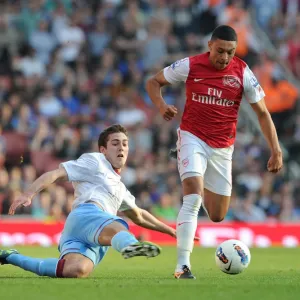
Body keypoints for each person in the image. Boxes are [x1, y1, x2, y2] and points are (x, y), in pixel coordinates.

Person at [146, 25, 283, 279]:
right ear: (210, 46)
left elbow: (262, 113)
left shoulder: (242, 72)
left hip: (222, 148)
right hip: (192, 137)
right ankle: (182, 266)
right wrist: (161, 104)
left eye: (230, 52)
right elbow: (153, 81)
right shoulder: (191, 65)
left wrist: (276, 150)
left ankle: (195, 169)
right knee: (193, 197)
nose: (224, 57)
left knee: (218, 215)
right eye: (220, 51)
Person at [0, 124, 176, 278]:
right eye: (115, 144)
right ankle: (130, 245)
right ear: (103, 150)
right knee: (119, 227)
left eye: (124, 144)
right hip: (87, 215)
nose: (121, 147)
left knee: (76, 270)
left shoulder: (121, 188)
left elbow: (140, 216)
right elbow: (55, 174)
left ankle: (10, 257)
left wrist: (170, 230)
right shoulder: (95, 161)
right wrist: (28, 193)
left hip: (87, 233)